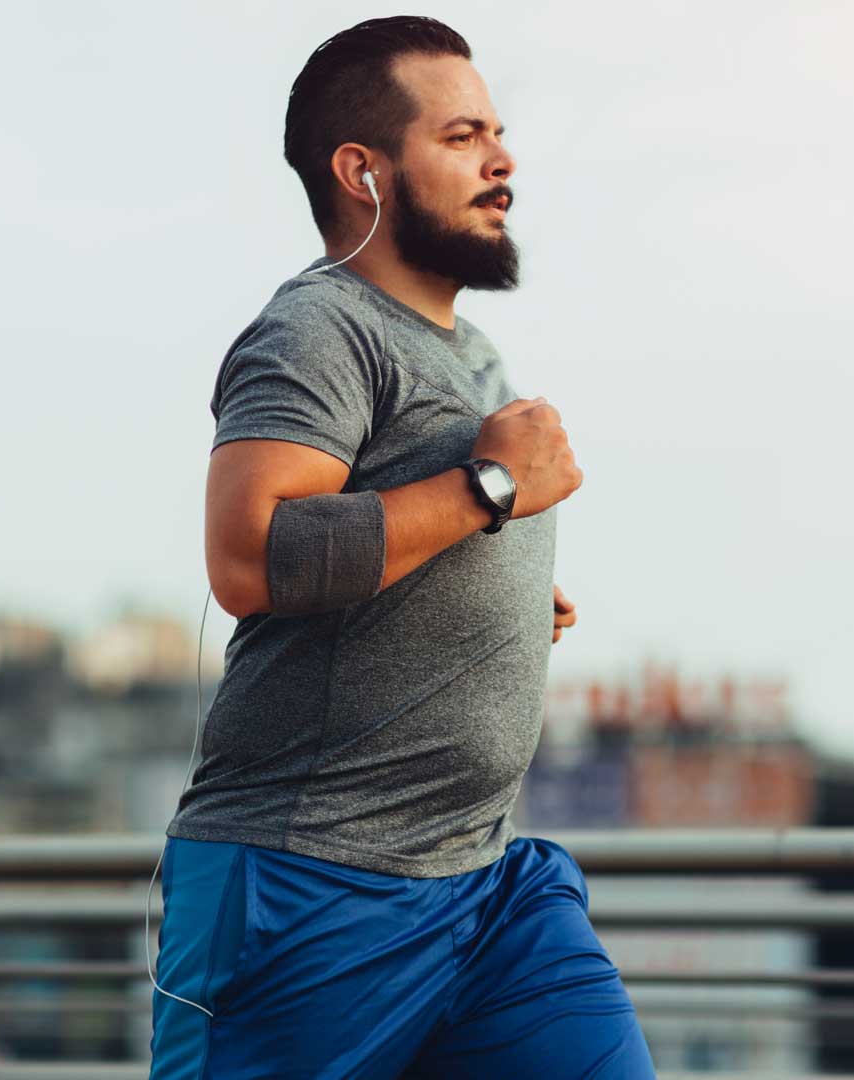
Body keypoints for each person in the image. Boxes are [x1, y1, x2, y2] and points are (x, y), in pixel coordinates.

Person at [147, 15, 654, 1079]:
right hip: (309, 881)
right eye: (463, 136)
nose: (504, 160)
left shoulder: (475, 352)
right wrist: (493, 488)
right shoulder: (319, 330)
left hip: (487, 885)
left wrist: (507, 589)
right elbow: (249, 557)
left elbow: (413, 525)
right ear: (363, 171)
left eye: (500, 134)